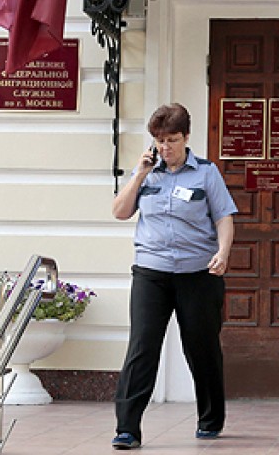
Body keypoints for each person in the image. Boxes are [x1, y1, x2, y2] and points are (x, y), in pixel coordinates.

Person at [110, 103, 236, 451]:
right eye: (160, 140)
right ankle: (127, 428)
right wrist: (138, 175)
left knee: (201, 347)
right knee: (142, 346)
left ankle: (210, 419)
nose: (166, 147)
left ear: (186, 138)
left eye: (172, 140)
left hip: (198, 274)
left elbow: (224, 217)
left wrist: (222, 253)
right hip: (151, 273)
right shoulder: (146, 173)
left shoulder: (206, 173)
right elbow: (120, 212)